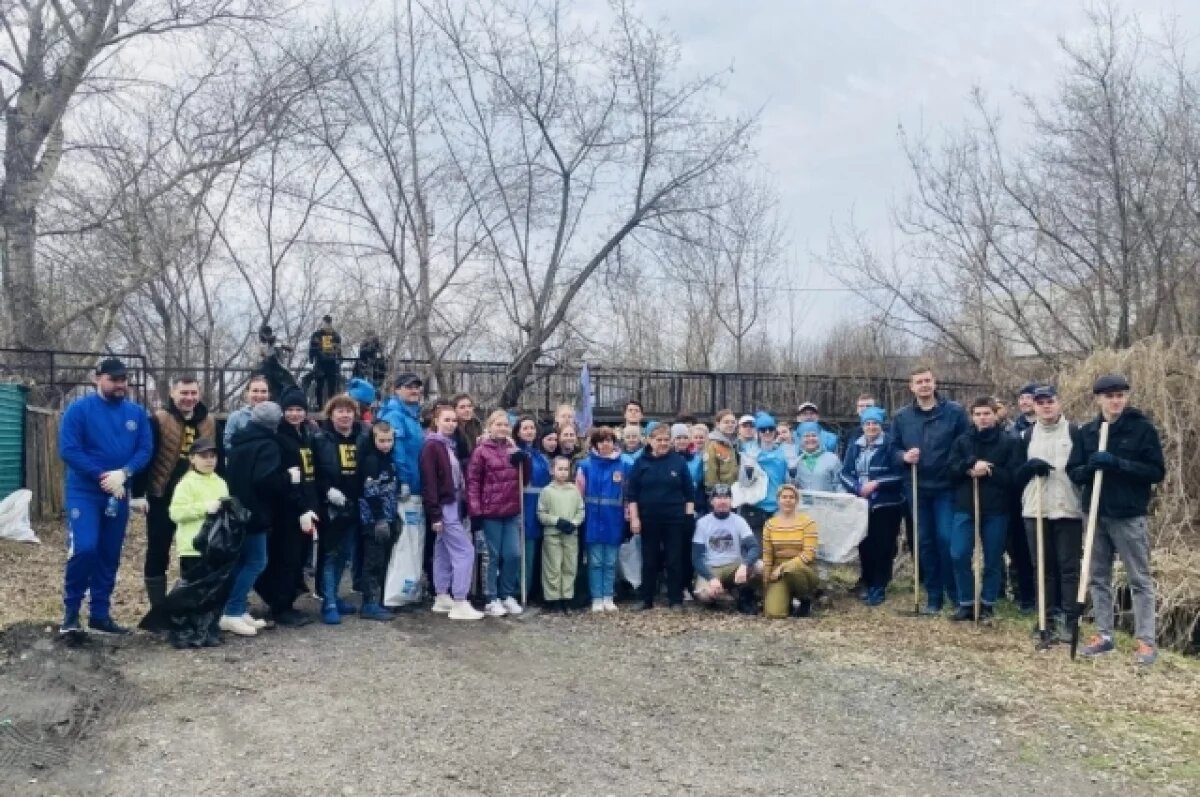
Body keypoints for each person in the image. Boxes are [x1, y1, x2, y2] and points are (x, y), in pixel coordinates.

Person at [1068, 374, 1165, 666]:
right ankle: (1104, 636)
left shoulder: (1141, 429)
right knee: (1098, 576)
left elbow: (1155, 472)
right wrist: (1089, 468)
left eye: (1120, 395)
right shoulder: (1088, 431)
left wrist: (1117, 463)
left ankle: (1146, 642)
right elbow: (1074, 471)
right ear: (1099, 399)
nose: (1115, 401)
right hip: (1096, 513)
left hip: (1128, 515)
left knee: (1139, 579)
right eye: (1109, 396)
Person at [58, 358, 154, 636]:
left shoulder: (135, 414)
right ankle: (71, 614)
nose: (120, 384)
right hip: (85, 493)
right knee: (85, 548)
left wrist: (124, 473)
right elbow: (69, 450)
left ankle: (100, 614)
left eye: (123, 379)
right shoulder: (78, 410)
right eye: (113, 379)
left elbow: (144, 450)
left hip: (119, 493)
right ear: (97, 378)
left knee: (109, 555)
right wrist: (103, 477)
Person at [891, 366, 970, 614]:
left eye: (928, 380)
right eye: (919, 382)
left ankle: (956, 595)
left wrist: (957, 468)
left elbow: (966, 445)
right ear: (911, 387)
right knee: (924, 542)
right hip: (916, 486)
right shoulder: (902, 417)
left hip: (946, 487)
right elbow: (891, 449)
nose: (924, 385)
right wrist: (904, 456)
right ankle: (933, 597)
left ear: (934, 383)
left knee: (946, 539)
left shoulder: (954, 413)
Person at [135, 375, 217, 612]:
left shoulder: (209, 422)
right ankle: (158, 609)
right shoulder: (159, 420)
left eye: (193, 393)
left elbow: (218, 461)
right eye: (184, 393)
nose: (189, 398)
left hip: (198, 498)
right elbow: (146, 456)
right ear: (172, 393)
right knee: (158, 550)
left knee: (195, 551)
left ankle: (189, 605)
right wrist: (139, 492)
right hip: (162, 496)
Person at [1013, 385, 1082, 642]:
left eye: (1050, 401)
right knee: (1042, 567)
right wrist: (1029, 467)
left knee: (1068, 568)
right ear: (1034, 406)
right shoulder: (1026, 436)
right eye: (1040, 402)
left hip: (1067, 508)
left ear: (1059, 403)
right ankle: (1046, 618)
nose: (1045, 406)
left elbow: (1080, 470)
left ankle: (1069, 621)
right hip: (1035, 509)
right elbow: (1015, 476)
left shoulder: (1075, 432)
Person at [946, 397, 1020, 621]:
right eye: (978, 414)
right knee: (958, 554)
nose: (982, 418)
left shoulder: (1008, 442)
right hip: (965, 507)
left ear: (995, 415)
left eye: (987, 413)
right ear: (972, 416)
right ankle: (966, 602)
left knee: (993, 558)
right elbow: (950, 470)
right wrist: (970, 466)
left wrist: (989, 470)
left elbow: (1013, 478)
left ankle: (987, 604)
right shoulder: (962, 441)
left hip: (996, 509)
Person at [221, 401, 288, 637]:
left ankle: (237, 610)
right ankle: (231, 611)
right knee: (257, 562)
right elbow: (265, 480)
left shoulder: (239, 441)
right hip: (256, 512)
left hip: (237, 509)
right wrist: (285, 479)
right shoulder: (268, 445)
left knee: (242, 561)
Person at [256, 386, 319, 627]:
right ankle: (280, 606)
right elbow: (284, 479)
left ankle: (290, 599)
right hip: (287, 509)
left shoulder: (307, 434)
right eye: (290, 410)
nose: (294, 414)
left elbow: (310, 475)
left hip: (306, 503)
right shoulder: (279, 439)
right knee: (286, 556)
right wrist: (300, 505)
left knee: (300, 556)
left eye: (299, 409)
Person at [421, 404, 483, 621]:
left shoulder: (449, 446)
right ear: (436, 421)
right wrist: (435, 513)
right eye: (446, 420)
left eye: (454, 421)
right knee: (465, 550)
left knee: (444, 549)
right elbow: (429, 482)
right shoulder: (432, 446)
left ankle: (442, 594)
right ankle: (460, 599)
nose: (451, 424)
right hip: (444, 504)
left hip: (454, 502)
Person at [467, 410, 532, 617]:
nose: (503, 428)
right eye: (498, 424)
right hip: (490, 510)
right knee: (492, 556)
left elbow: (525, 479)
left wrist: (525, 461)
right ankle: (491, 597)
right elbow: (473, 482)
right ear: (490, 426)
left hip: (511, 510)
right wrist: (475, 511)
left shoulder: (513, 449)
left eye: (505, 425)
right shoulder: (481, 451)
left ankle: (506, 594)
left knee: (513, 554)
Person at [166, 438, 229, 648]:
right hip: (192, 548)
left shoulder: (221, 482)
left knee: (212, 592)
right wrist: (204, 508)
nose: (209, 461)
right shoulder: (186, 484)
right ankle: (186, 632)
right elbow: (175, 513)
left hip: (216, 547)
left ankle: (208, 630)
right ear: (192, 459)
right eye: (204, 456)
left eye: (213, 456)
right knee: (191, 593)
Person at [840, 406, 905, 606]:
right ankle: (867, 582)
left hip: (886, 503)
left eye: (875, 423)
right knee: (864, 544)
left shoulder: (890, 445)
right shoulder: (855, 446)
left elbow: (900, 473)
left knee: (883, 545)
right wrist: (857, 487)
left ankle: (880, 584)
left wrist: (877, 483)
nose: (871, 427)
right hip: (861, 503)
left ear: (881, 425)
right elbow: (845, 472)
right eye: (867, 424)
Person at [627, 424, 695, 610]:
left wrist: (688, 518)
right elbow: (632, 494)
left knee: (674, 560)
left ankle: (675, 599)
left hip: (674, 519)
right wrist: (635, 518)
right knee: (649, 559)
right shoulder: (641, 462)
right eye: (659, 440)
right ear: (650, 440)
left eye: (666, 440)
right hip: (648, 518)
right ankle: (646, 598)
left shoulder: (678, 462)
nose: (663, 443)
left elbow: (689, 493)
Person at [312, 395, 367, 624]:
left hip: (355, 503)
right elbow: (314, 471)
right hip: (331, 505)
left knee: (345, 554)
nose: (344, 415)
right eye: (339, 411)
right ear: (331, 414)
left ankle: (334, 593)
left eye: (348, 411)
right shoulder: (320, 439)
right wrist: (326, 491)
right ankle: (329, 602)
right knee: (330, 554)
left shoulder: (363, 438)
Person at [576, 428, 628, 613]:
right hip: (592, 518)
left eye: (609, 440)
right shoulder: (585, 465)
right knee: (595, 561)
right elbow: (578, 494)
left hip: (614, 518)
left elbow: (628, 494)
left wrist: (627, 516)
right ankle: (596, 597)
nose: (606, 444)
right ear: (595, 444)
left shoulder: (623, 465)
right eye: (602, 441)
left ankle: (608, 595)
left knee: (610, 561)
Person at [691, 484, 762, 614]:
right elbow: (696, 557)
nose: (722, 501)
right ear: (712, 501)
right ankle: (724, 593)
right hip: (711, 567)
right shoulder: (702, 523)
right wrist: (710, 578)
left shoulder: (739, 521)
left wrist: (745, 565)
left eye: (726, 497)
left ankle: (744, 592)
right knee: (704, 596)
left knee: (761, 567)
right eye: (718, 498)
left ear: (731, 501)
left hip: (734, 566)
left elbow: (754, 547)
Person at [357, 421, 401, 621]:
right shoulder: (371, 461)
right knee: (373, 561)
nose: (386, 444)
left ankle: (381, 598)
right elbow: (370, 492)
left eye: (389, 440)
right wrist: (379, 519)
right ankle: (369, 603)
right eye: (381, 440)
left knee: (384, 559)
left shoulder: (388, 459)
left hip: (389, 514)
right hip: (374, 519)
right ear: (373, 440)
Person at [761, 484, 820, 619]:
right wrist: (766, 582)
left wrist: (782, 568)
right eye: (784, 497)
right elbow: (768, 555)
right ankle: (788, 600)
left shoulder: (808, 522)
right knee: (773, 613)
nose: (788, 500)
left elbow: (809, 554)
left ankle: (805, 599)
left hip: (803, 568)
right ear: (778, 500)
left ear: (797, 501)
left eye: (791, 497)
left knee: (791, 569)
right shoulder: (770, 524)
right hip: (778, 571)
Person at [538, 457, 585, 613]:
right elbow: (541, 514)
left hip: (570, 534)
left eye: (566, 469)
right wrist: (556, 521)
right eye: (560, 469)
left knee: (569, 566)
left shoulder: (574, 490)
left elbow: (580, 510)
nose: (563, 473)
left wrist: (574, 523)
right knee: (553, 566)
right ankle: (553, 599)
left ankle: (567, 597)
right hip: (553, 534)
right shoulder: (547, 491)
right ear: (552, 470)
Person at [516, 416, 551, 602]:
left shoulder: (541, 456)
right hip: (524, 505)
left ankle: (533, 589)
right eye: (525, 428)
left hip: (540, 505)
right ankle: (519, 590)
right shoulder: (516, 453)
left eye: (532, 428)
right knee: (524, 551)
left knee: (536, 551)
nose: (529, 431)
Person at [738, 413, 787, 540]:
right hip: (755, 508)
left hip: (777, 509)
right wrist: (749, 468)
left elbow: (788, 482)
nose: (767, 432)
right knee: (756, 552)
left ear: (775, 431)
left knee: (777, 551)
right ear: (757, 432)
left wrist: (793, 472)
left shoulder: (782, 453)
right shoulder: (748, 452)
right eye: (763, 429)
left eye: (770, 429)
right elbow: (744, 483)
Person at [224, 375, 270, 453]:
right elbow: (227, 445)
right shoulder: (236, 417)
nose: (259, 395)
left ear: (268, 394)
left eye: (263, 391)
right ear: (247, 393)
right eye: (255, 391)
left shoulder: (276, 417)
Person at [792, 421, 843, 493]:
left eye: (814, 435)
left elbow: (840, 485)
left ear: (820, 437)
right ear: (800, 439)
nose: (810, 439)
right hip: (803, 503)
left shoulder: (832, 459)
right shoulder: (796, 462)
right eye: (806, 436)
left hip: (828, 503)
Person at [307, 314, 342, 408]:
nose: (326, 325)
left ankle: (331, 406)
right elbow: (312, 347)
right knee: (319, 386)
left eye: (328, 323)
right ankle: (319, 405)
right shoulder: (317, 334)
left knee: (332, 387)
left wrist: (339, 358)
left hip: (332, 364)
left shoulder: (335, 335)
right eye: (325, 323)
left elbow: (339, 349)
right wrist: (311, 358)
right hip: (320, 364)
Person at [703, 410, 739, 496]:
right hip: (720, 494)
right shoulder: (713, 444)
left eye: (733, 422)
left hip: (736, 492)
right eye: (726, 422)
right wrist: (714, 493)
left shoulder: (736, 443)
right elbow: (710, 473)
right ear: (718, 424)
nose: (730, 425)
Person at [450, 393, 483, 471]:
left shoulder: (477, 425)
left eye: (469, 406)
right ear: (454, 410)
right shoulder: (451, 430)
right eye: (462, 407)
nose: (467, 410)